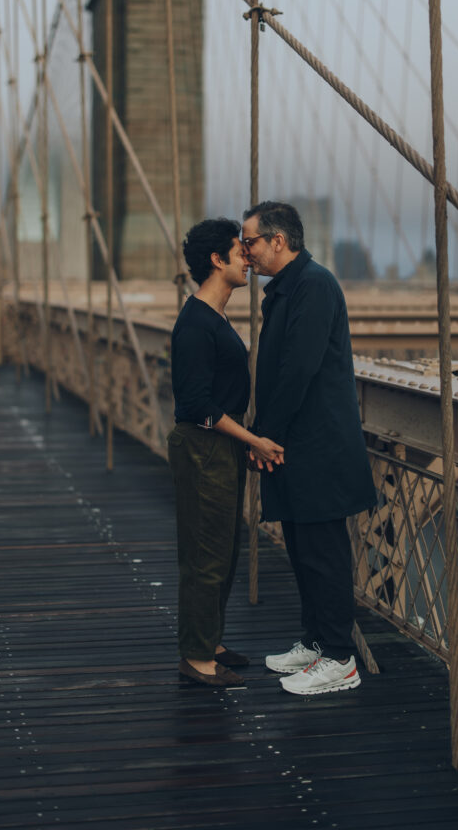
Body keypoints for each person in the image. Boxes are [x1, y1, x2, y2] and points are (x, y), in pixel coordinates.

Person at [242, 201, 376, 696]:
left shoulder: (314, 285)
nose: (245, 251)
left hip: (318, 445)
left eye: (250, 241)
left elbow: (298, 368)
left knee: (323, 552)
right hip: (297, 444)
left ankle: (341, 659)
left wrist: (264, 435)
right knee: (302, 548)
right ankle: (317, 641)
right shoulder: (289, 288)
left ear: (279, 241)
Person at [168, 218, 285, 688]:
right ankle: (196, 658)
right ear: (217, 260)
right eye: (240, 251)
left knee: (223, 547)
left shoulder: (212, 316)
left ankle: (210, 640)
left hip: (219, 448)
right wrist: (253, 439)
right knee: (205, 553)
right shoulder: (196, 321)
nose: (248, 257)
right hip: (204, 449)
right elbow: (196, 405)